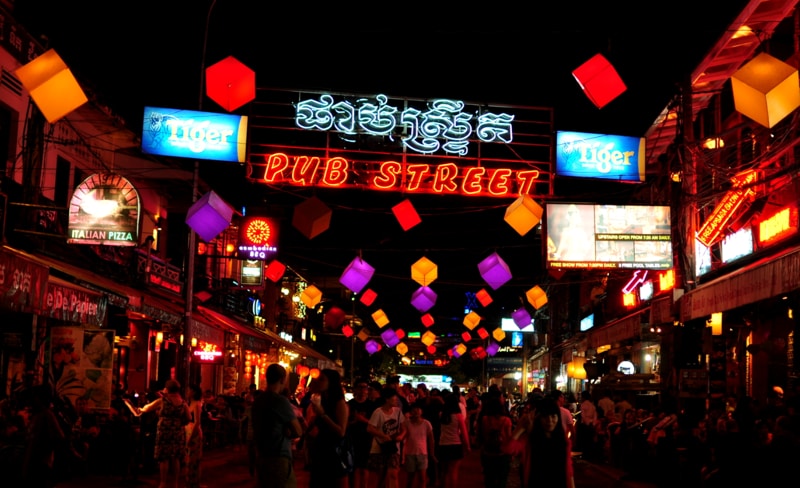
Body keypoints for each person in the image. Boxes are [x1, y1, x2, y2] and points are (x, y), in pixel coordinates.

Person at [129, 379, 190, 488]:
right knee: (175, 457)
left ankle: (163, 483)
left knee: (164, 457)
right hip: (178, 431)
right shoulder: (183, 402)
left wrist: (139, 408)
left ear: (167, 389)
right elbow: (188, 417)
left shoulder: (163, 400)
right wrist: (178, 423)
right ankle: (175, 483)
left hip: (164, 430)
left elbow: (145, 409)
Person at [252, 363, 304, 488]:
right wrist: (288, 430)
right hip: (278, 456)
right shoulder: (280, 401)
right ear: (282, 379)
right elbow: (298, 431)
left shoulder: (258, 401)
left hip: (262, 455)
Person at [510, 397, 575, 488]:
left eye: (553, 416)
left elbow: (568, 470)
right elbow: (509, 449)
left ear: (558, 418)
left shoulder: (563, 441)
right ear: (538, 418)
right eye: (545, 416)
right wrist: (521, 427)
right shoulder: (530, 439)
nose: (550, 421)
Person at [307, 368, 349, 488]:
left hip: (334, 451)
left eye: (322, 379)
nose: (318, 382)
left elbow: (341, 431)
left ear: (331, 382)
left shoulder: (339, 403)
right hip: (321, 448)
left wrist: (323, 414)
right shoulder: (323, 400)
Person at [367, 387, 407, 488]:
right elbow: (370, 428)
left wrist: (401, 436)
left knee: (393, 474)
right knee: (378, 476)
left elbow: (404, 429)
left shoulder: (398, 412)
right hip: (379, 448)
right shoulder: (378, 412)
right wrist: (383, 435)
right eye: (394, 399)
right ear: (387, 399)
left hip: (393, 448)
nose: (396, 401)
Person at [347, 377, 377, 488]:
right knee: (353, 468)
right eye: (360, 387)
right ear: (355, 389)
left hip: (367, 440)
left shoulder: (372, 406)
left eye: (365, 387)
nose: (362, 390)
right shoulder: (349, 405)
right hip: (352, 439)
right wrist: (353, 421)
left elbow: (375, 424)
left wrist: (362, 419)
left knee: (365, 468)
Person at [478, 394, 512, 488]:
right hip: (503, 453)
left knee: (489, 478)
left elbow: (484, 434)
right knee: (502, 478)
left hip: (488, 452)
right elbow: (509, 437)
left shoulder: (485, 419)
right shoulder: (507, 420)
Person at [437, 391, 470, 488]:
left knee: (444, 471)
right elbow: (464, 433)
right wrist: (467, 446)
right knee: (453, 472)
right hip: (455, 444)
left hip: (443, 444)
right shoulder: (458, 416)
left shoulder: (441, 414)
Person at [402, 400, 435, 488]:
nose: (416, 411)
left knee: (422, 478)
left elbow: (431, 440)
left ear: (422, 411)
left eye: (418, 409)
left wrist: (432, 453)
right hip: (410, 453)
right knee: (410, 479)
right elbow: (403, 438)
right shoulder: (407, 423)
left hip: (422, 453)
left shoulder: (427, 424)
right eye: (414, 409)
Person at [185, 384, 204, 488]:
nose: (188, 392)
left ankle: (195, 483)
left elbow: (197, 422)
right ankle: (190, 482)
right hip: (189, 431)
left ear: (194, 392)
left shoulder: (196, 404)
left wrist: (191, 437)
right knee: (189, 459)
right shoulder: (190, 403)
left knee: (194, 460)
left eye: (189, 390)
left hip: (194, 433)